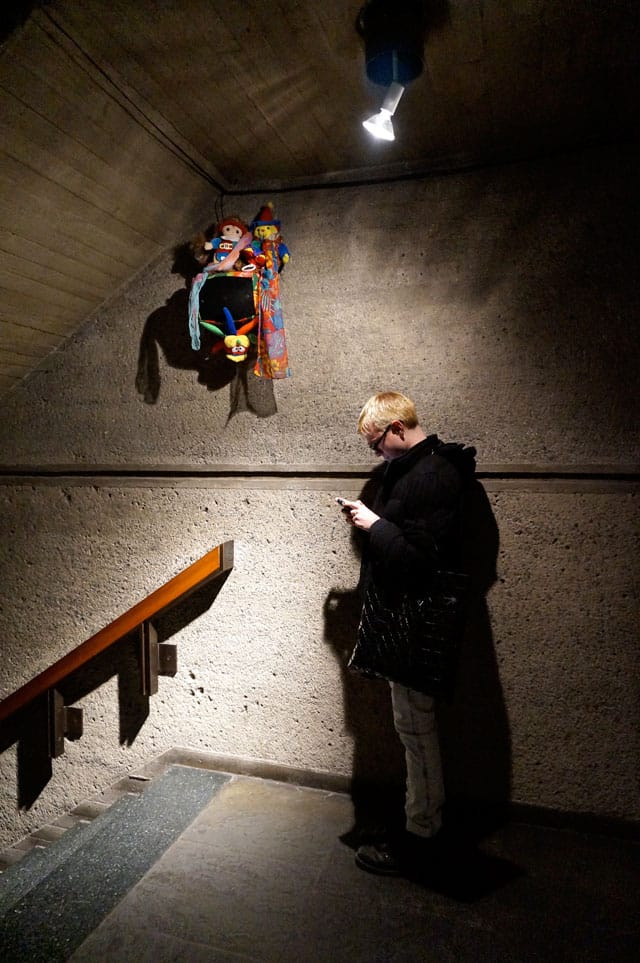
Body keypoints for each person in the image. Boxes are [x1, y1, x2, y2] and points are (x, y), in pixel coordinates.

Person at [340, 391, 476, 877]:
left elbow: (423, 562)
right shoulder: (422, 470)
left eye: (376, 441)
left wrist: (375, 524)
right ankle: (420, 824)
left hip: (417, 627)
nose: (374, 453)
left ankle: (421, 836)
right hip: (410, 624)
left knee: (416, 732)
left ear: (398, 427)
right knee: (413, 729)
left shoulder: (433, 475)